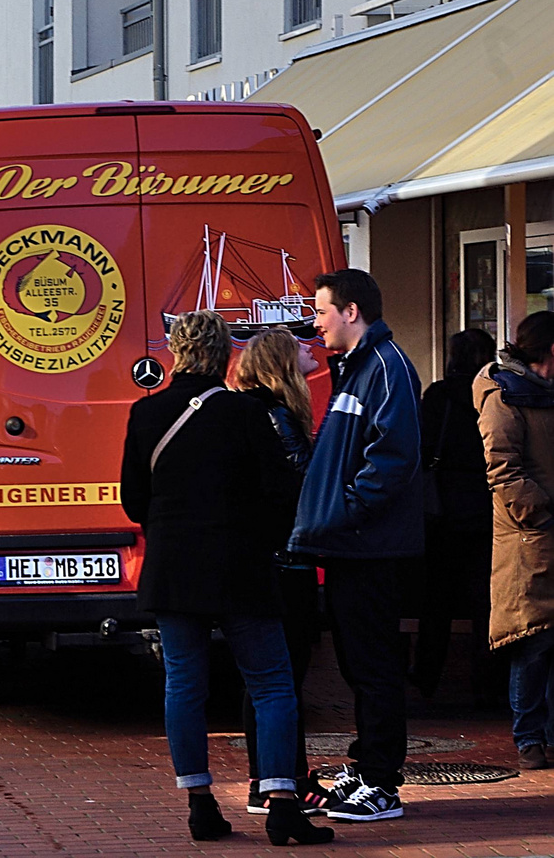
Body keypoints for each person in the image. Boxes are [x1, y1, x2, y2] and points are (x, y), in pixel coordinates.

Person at [120, 311, 330, 846]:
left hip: (173, 568)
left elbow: (133, 501)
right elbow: (280, 494)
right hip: (241, 566)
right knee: (272, 683)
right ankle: (283, 806)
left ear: (174, 351)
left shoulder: (146, 414)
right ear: (226, 353)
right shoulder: (243, 413)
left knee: (184, 686)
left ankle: (200, 804)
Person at [290, 269, 422, 822]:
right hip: (354, 545)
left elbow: (394, 457)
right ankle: (367, 767)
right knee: (357, 665)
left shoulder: (386, 368)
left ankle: (382, 784)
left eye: (321, 310)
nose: (315, 322)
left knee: (373, 666)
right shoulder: (358, 368)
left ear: (351, 311)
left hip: (371, 547)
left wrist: (345, 510)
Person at [231, 328, 335, 815]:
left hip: (266, 559)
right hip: (284, 561)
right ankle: (279, 779)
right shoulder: (277, 416)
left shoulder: (258, 410)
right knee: (281, 677)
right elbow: (301, 487)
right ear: (282, 362)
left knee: (270, 679)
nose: (311, 346)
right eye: (299, 345)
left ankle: (274, 775)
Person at [474, 310, 554, 772]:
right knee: (532, 639)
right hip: (529, 536)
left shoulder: (541, 391)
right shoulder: (504, 393)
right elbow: (503, 467)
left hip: (538, 529)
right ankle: (529, 738)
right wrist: (540, 510)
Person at [413, 329, 500, 703]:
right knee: (486, 599)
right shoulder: (496, 396)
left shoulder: (439, 396)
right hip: (486, 506)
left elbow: (422, 445)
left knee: (437, 600)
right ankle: (488, 677)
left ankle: (428, 675)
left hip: (443, 508)